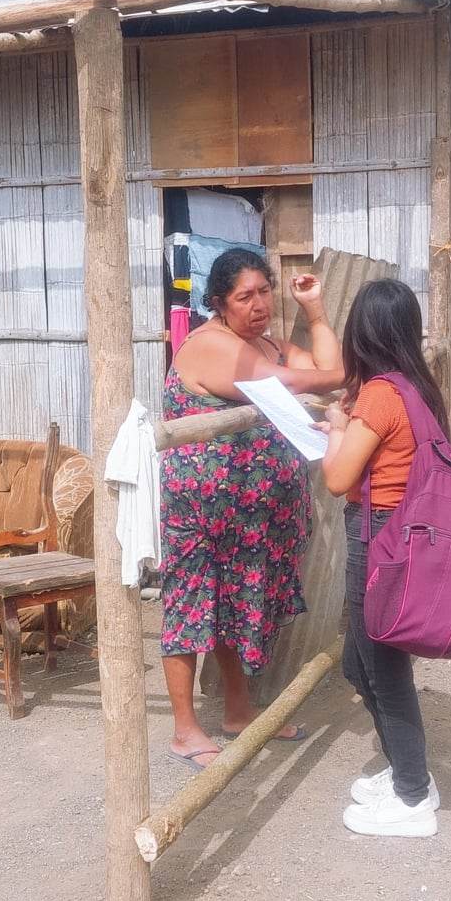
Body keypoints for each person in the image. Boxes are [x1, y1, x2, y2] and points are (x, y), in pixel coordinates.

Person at [160, 248, 346, 771]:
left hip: (245, 517)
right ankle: (184, 730)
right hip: (199, 511)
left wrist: (314, 311)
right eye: (245, 296)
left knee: (231, 609)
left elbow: (327, 371)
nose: (259, 304)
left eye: (265, 291)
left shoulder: (263, 345)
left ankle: (238, 713)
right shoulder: (212, 345)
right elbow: (302, 380)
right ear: (219, 302)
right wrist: (336, 373)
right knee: (190, 608)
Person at [317, 278, 447, 838]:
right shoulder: (416, 386)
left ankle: (413, 797)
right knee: (358, 662)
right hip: (403, 532)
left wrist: (336, 430)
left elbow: (337, 479)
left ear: (361, 333)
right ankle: (407, 773)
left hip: (379, 535)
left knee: (383, 667)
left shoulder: (377, 395)